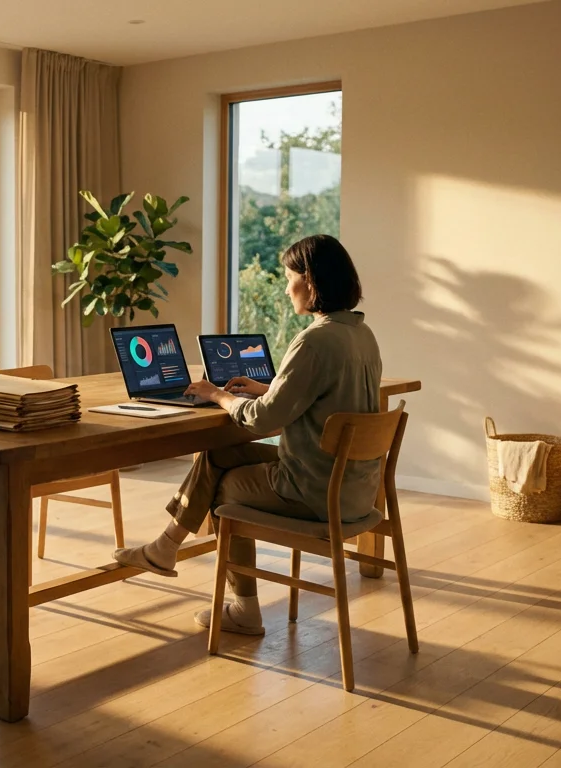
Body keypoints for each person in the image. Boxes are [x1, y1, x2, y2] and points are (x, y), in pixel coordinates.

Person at [113, 234, 383, 635]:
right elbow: (320, 396)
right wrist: (270, 388)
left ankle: (244, 609)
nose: (286, 286)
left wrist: (216, 394)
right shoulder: (362, 335)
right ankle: (164, 549)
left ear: (310, 281)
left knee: (223, 487)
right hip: (352, 486)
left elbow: (258, 421)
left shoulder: (314, 340)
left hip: (314, 490)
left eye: (288, 276)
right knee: (219, 455)